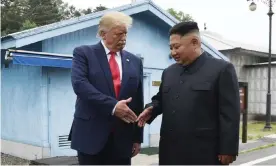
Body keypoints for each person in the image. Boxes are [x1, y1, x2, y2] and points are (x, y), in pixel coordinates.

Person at [137, 21, 240, 165]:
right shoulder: (169, 72)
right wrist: (152, 108)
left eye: (177, 47)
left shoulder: (221, 69)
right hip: (170, 153)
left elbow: (230, 113)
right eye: (171, 48)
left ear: (195, 42)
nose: (173, 52)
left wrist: (228, 148)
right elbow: (160, 99)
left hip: (204, 153)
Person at [68, 11, 144, 165]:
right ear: (103, 34)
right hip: (90, 136)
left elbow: (137, 101)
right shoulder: (84, 53)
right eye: (118, 34)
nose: (123, 38)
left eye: (125, 34)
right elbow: (80, 85)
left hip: (122, 139)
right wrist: (113, 106)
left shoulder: (135, 61)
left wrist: (137, 138)